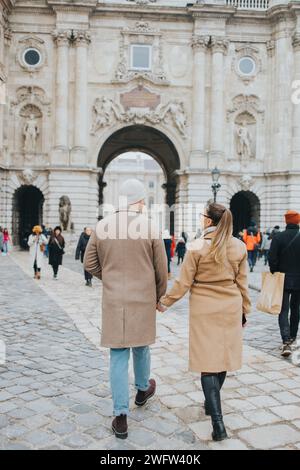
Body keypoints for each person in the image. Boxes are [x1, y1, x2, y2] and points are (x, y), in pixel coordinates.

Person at [157, 203, 251, 442]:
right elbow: (243, 283)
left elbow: (183, 282)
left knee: (207, 362)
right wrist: (245, 310)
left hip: (204, 307)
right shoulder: (239, 246)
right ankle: (213, 402)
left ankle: (217, 422)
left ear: (209, 221)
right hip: (230, 304)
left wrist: (165, 302)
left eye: (202, 216)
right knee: (222, 359)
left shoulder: (197, 246)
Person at [84, 178, 168, 440]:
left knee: (118, 355)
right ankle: (143, 390)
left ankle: (120, 416)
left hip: (113, 299)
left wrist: (107, 278)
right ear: (140, 201)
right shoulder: (150, 227)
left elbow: (89, 263)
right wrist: (158, 294)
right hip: (142, 298)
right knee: (141, 346)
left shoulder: (102, 226)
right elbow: (161, 269)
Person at [268, 210, 300, 357]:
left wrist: (275, 271)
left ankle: (286, 340)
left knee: (283, 310)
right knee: (296, 309)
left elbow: (272, 258)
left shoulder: (278, 237)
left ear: (286, 222)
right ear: (298, 221)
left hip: (283, 278)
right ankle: (293, 335)